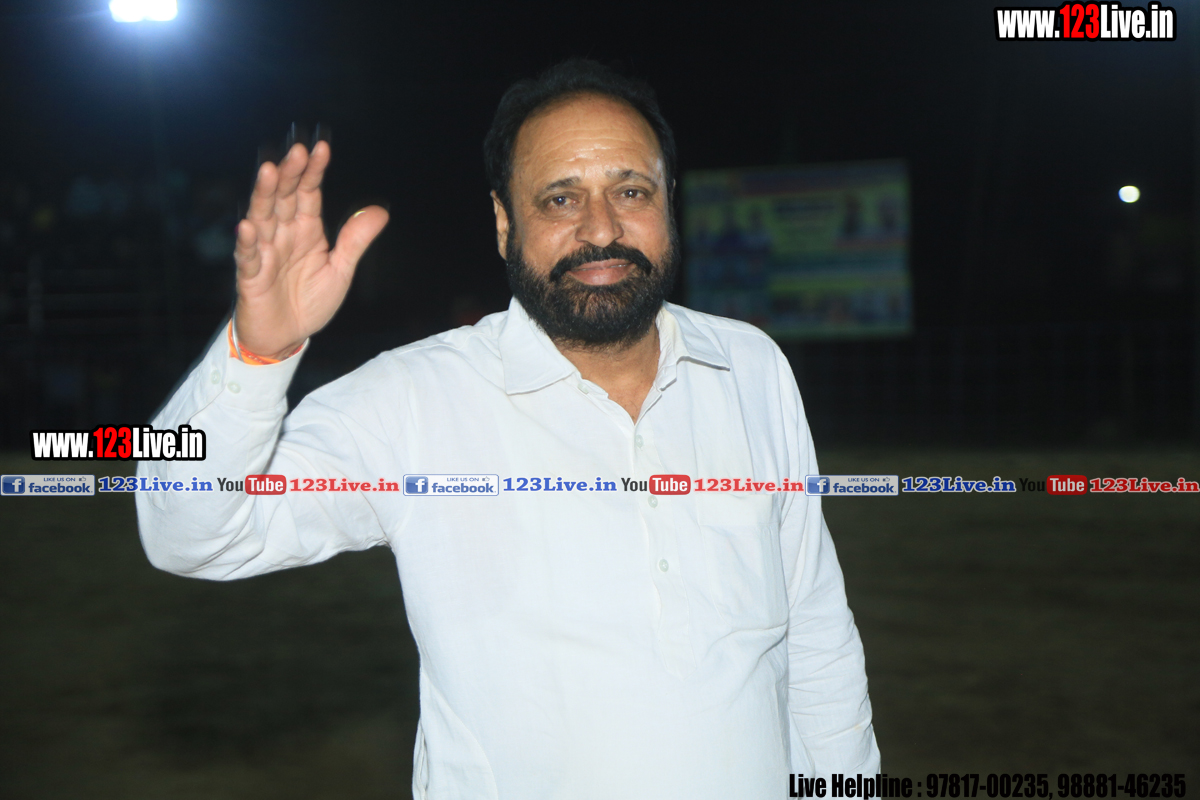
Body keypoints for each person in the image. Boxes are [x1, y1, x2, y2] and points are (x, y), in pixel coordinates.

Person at [136, 58, 880, 799]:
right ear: (504, 222)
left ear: (669, 201)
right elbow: (191, 532)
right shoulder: (415, 400)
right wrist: (256, 355)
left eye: (631, 191)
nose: (601, 228)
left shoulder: (750, 367)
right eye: (560, 199)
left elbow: (816, 636)